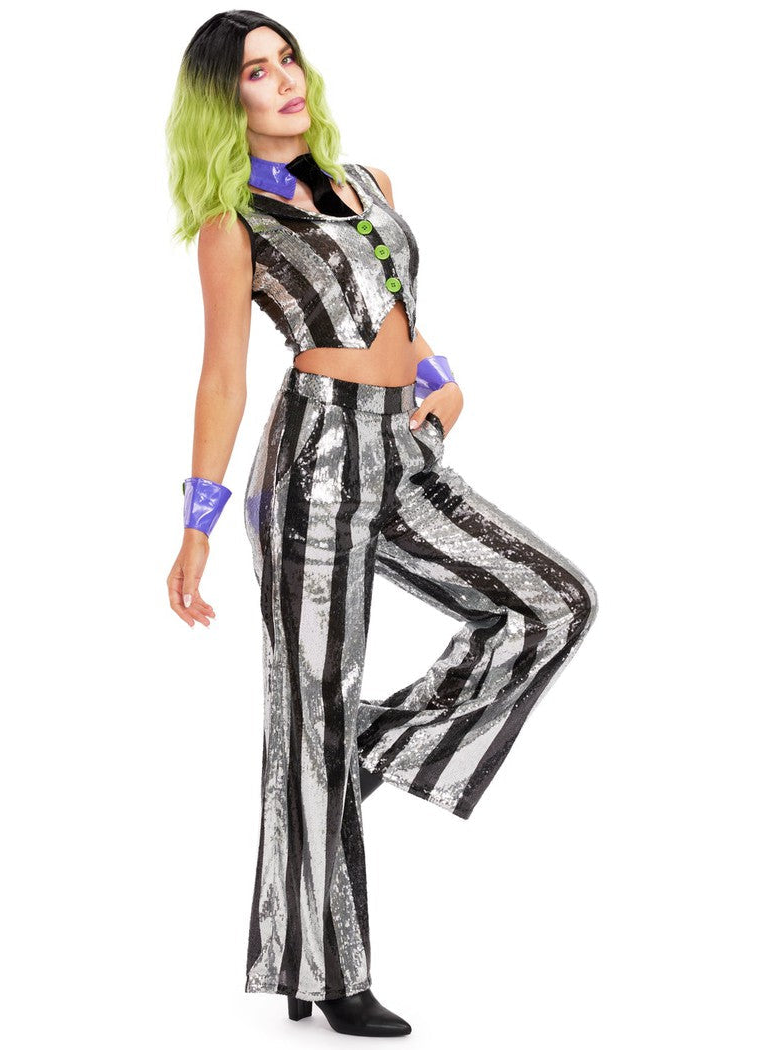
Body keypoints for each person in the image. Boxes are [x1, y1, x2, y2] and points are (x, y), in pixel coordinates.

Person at [165, 10, 598, 1038]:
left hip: (403, 448)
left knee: (552, 602)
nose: (283, 80)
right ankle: (328, 975)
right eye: (256, 72)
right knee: (306, 715)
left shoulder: (370, 183)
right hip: (312, 463)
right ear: (225, 100)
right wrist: (196, 525)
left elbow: (400, 306)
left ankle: (367, 744)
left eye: (286, 59)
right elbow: (223, 376)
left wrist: (443, 382)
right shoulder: (234, 223)